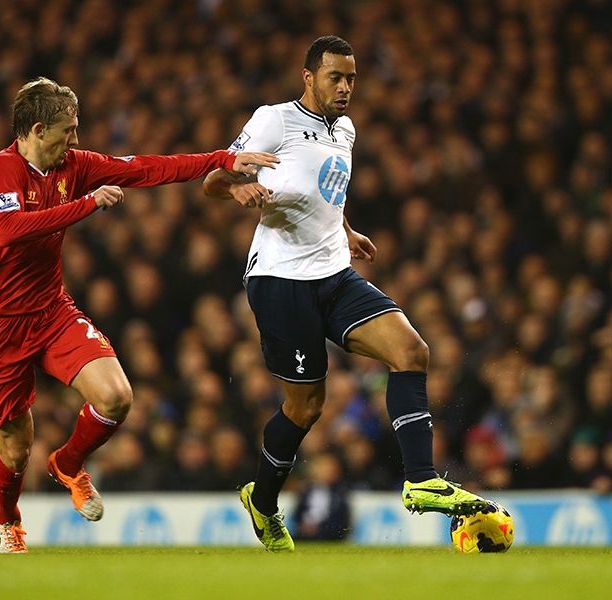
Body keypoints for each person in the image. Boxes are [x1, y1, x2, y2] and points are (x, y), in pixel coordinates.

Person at [0, 77, 277, 554]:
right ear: (38, 128)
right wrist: (86, 204)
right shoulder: (1, 169)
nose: (75, 139)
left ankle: (68, 464)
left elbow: (147, 168)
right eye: (67, 130)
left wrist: (221, 159)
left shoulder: (74, 165)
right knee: (15, 446)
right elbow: (9, 231)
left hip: (49, 311)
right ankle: (8, 521)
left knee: (116, 398)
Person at [203, 36, 488, 553]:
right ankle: (262, 501)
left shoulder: (347, 129)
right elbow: (213, 178)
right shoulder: (274, 119)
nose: (345, 87)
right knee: (306, 406)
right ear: (308, 76)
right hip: (281, 280)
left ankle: (421, 478)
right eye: (335, 77)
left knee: (411, 350)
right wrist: (237, 187)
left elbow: (324, 189)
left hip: (334, 271)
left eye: (352, 78)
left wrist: (345, 229)